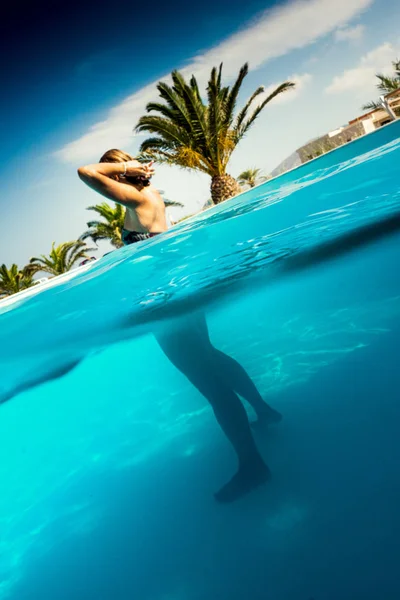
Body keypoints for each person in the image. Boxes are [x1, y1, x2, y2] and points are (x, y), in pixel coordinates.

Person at [78, 149, 282, 503]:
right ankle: (264, 411)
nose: (110, 180)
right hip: (181, 294)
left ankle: (253, 466)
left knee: (210, 385)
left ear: (121, 176)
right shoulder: (150, 197)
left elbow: (85, 172)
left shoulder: (136, 197)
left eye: (116, 173)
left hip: (166, 305)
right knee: (213, 358)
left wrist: (122, 167)